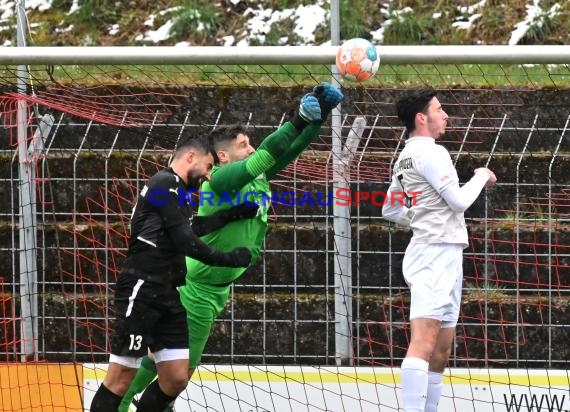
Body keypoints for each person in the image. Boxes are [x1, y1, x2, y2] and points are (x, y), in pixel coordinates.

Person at [119, 83, 344, 412]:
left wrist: (318, 119)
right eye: (243, 145)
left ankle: (129, 402)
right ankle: (125, 402)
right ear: (222, 156)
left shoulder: (256, 178)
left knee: (166, 363)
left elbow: (287, 151)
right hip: (198, 289)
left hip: (212, 288)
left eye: (251, 143)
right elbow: (268, 152)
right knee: (179, 373)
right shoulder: (221, 180)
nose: (252, 149)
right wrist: (298, 118)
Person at [90, 136, 255, 412]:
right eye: (208, 165)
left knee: (176, 377)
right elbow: (184, 240)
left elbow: (191, 227)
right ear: (191, 156)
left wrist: (231, 215)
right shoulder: (164, 184)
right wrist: (228, 259)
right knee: (120, 378)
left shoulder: (175, 190)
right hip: (142, 289)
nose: (208, 174)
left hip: (167, 292)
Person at [382, 88, 496, 412]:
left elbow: (390, 210)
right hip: (433, 254)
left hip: (444, 254)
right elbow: (459, 201)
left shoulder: (405, 156)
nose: (445, 115)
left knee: (442, 350)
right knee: (424, 342)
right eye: (439, 109)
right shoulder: (432, 152)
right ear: (422, 118)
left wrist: (422, 218)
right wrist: (480, 176)